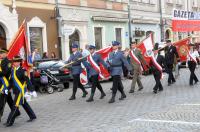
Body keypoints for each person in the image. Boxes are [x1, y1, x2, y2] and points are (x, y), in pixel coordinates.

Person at [5, 56, 36, 127]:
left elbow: (27, 81)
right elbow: (11, 82)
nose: (15, 63)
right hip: (16, 91)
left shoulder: (23, 70)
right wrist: (7, 88)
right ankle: (32, 116)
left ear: (19, 62)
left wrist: (32, 90)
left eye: (16, 62)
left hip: (20, 91)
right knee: (24, 103)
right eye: (14, 62)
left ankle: (9, 121)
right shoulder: (13, 70)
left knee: (15, 106)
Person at [0, 48, 20, 122]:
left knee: (2, 99)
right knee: (9, 99)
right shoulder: (1, 61)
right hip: (1, 84)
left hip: (6, 85)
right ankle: (16, 112)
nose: (0, 54)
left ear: (5, 54)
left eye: (2, 53)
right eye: (0, 53)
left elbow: (5, 72)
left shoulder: (8, 62)